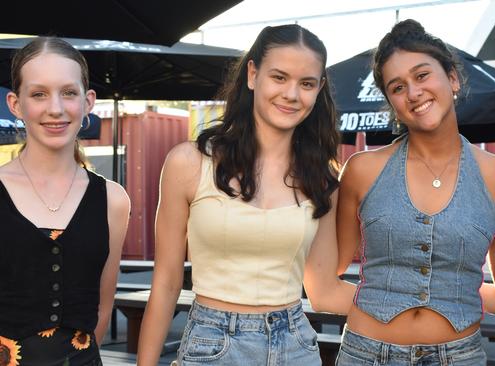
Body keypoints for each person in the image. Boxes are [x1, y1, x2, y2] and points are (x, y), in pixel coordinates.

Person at [137, 24, 355, 366]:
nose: (292, 94)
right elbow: (166, 282)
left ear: (319, 89)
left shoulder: (322, 179)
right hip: (212, 343)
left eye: (307, 83)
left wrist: (410, 308)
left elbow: (324, 290)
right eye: (279, 77)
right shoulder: (190, 163)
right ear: (252, 74)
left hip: (296, 344)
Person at [335, 19, 495, 366]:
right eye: (397, 87)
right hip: (367, 353)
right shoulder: (362, 170)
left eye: (422, 75)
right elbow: (329, 267)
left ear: (452, 78)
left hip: (459, 356)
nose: (413, 93)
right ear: (391, 102)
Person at [0, 37, 130, 365]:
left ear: (88, 102)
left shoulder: (112, 200)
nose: (55, 108)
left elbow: (102, 308)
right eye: (39, 93)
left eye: (68, 93)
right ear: (16, 104)